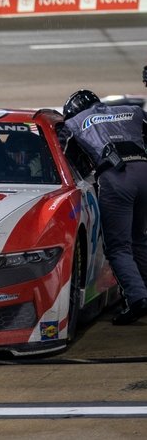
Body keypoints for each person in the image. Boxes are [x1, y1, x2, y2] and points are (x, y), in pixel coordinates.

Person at [59, 89, 147, 325]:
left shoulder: (73, 123)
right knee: (139, 239)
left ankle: (138, 297)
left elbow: (64, 159)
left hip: (116, 178)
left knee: (118, 247)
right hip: (145, 173)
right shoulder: (133, 111)